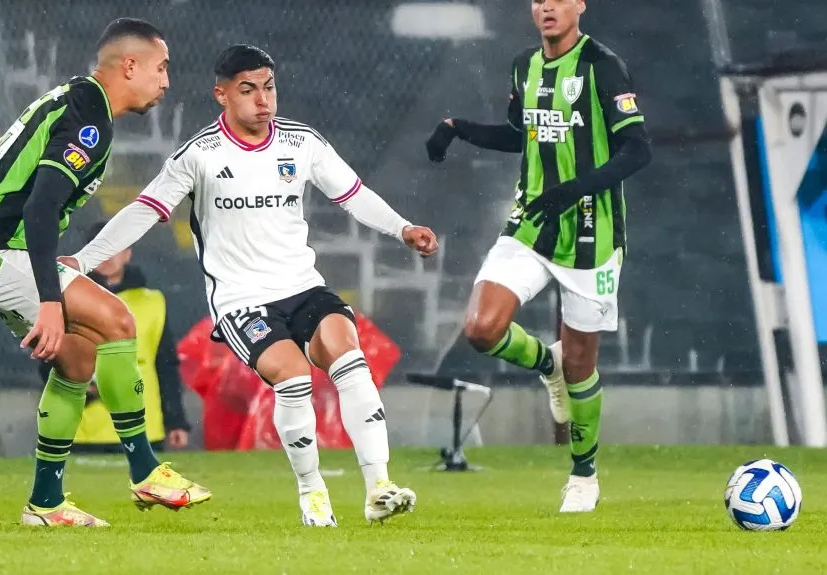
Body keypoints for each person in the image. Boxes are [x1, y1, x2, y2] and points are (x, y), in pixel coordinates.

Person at [69, 45, 439, 527]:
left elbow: (353, 194)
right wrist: (82, 259)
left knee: (350, 357)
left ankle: (378, 488)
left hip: (304, 286)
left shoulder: (301, 142)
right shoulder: (199, 156)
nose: (263, 100)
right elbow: (143, 211)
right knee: (294, 378)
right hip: (243, 301)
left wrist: (402, 228)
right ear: (221, 94)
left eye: (269, 87)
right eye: (248, 90)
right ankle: (312, 491)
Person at [0, 18, 210, 527]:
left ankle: (45, 503)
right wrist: (49, 300)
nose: (167, 81)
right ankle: (146, 472)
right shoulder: (88, 116)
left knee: (79, 362)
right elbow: (40, 209)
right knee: (119, 320)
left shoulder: (79, 102)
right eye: (161, 68)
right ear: (130, 66)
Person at [424, 0, 652, 512]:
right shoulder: (524, 66)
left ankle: (584, 475)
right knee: (481, 329)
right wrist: (457, 127)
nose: (546, 6)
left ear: (579, 5)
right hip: (531, 222)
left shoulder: (603, 67)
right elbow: (520, 135)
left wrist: (574, 189)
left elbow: (638, 149)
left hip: (591, 232)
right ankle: (546, 362)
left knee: (582, 366)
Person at [37, 221, 192, 453]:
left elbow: (166, 365)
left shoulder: (153, 301)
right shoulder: (67, 298)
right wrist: (78, 385)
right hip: (83, 430)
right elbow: (49, 355)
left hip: (144, 426)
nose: (107, 256)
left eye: (114, 247)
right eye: (100, 248)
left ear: (127, 253)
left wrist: (175, 420)